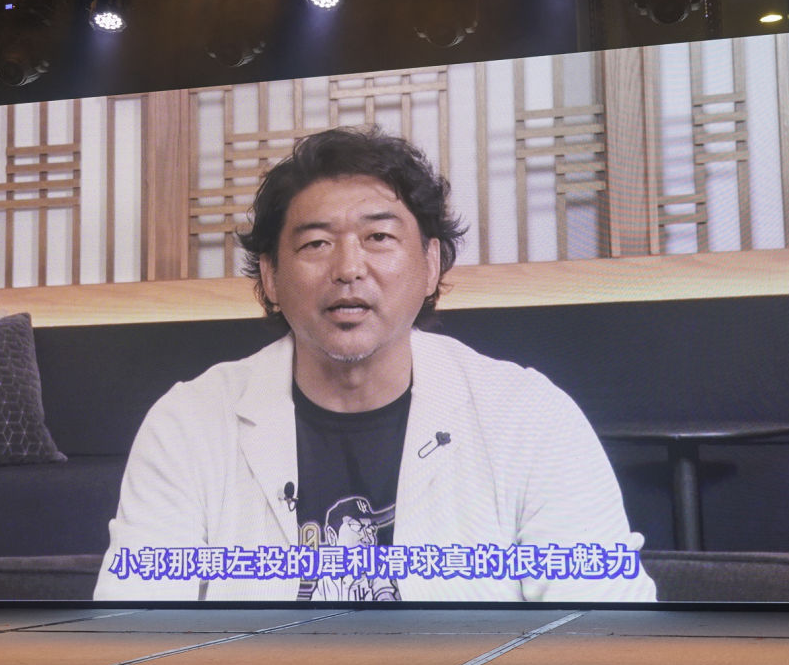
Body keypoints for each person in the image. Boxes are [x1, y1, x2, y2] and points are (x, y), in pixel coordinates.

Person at [95, 126, 655, 601]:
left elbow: (604, 631)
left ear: (430, 264)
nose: (348, 268)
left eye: (378, 236)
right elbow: (133, 633)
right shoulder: (188, 424)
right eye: (315, 244)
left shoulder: (530, 416)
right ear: (270, 276)